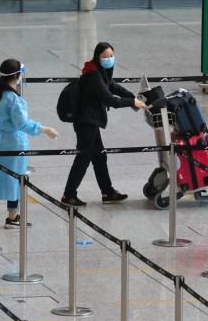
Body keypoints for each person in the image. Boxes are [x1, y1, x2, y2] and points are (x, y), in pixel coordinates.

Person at [0, 59, 59, 229]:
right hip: (13, 142)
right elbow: (21, 124)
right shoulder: (15, 100)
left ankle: (11, 215)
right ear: (17, 75)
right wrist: (43, 129)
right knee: (14, 178)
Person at [61, 42, 147, 207]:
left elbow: (113, 86)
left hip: (91, 121)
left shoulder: (99, 72)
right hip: (86, 123)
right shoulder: (93, 75)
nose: (109, 59)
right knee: (83, 158)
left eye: (111, 56)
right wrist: (132, 102)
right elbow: (110, 99)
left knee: (99, 156)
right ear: (97, 57)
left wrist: (133, 97)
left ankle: (107, 191)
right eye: (105, 57)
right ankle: (68, 195)